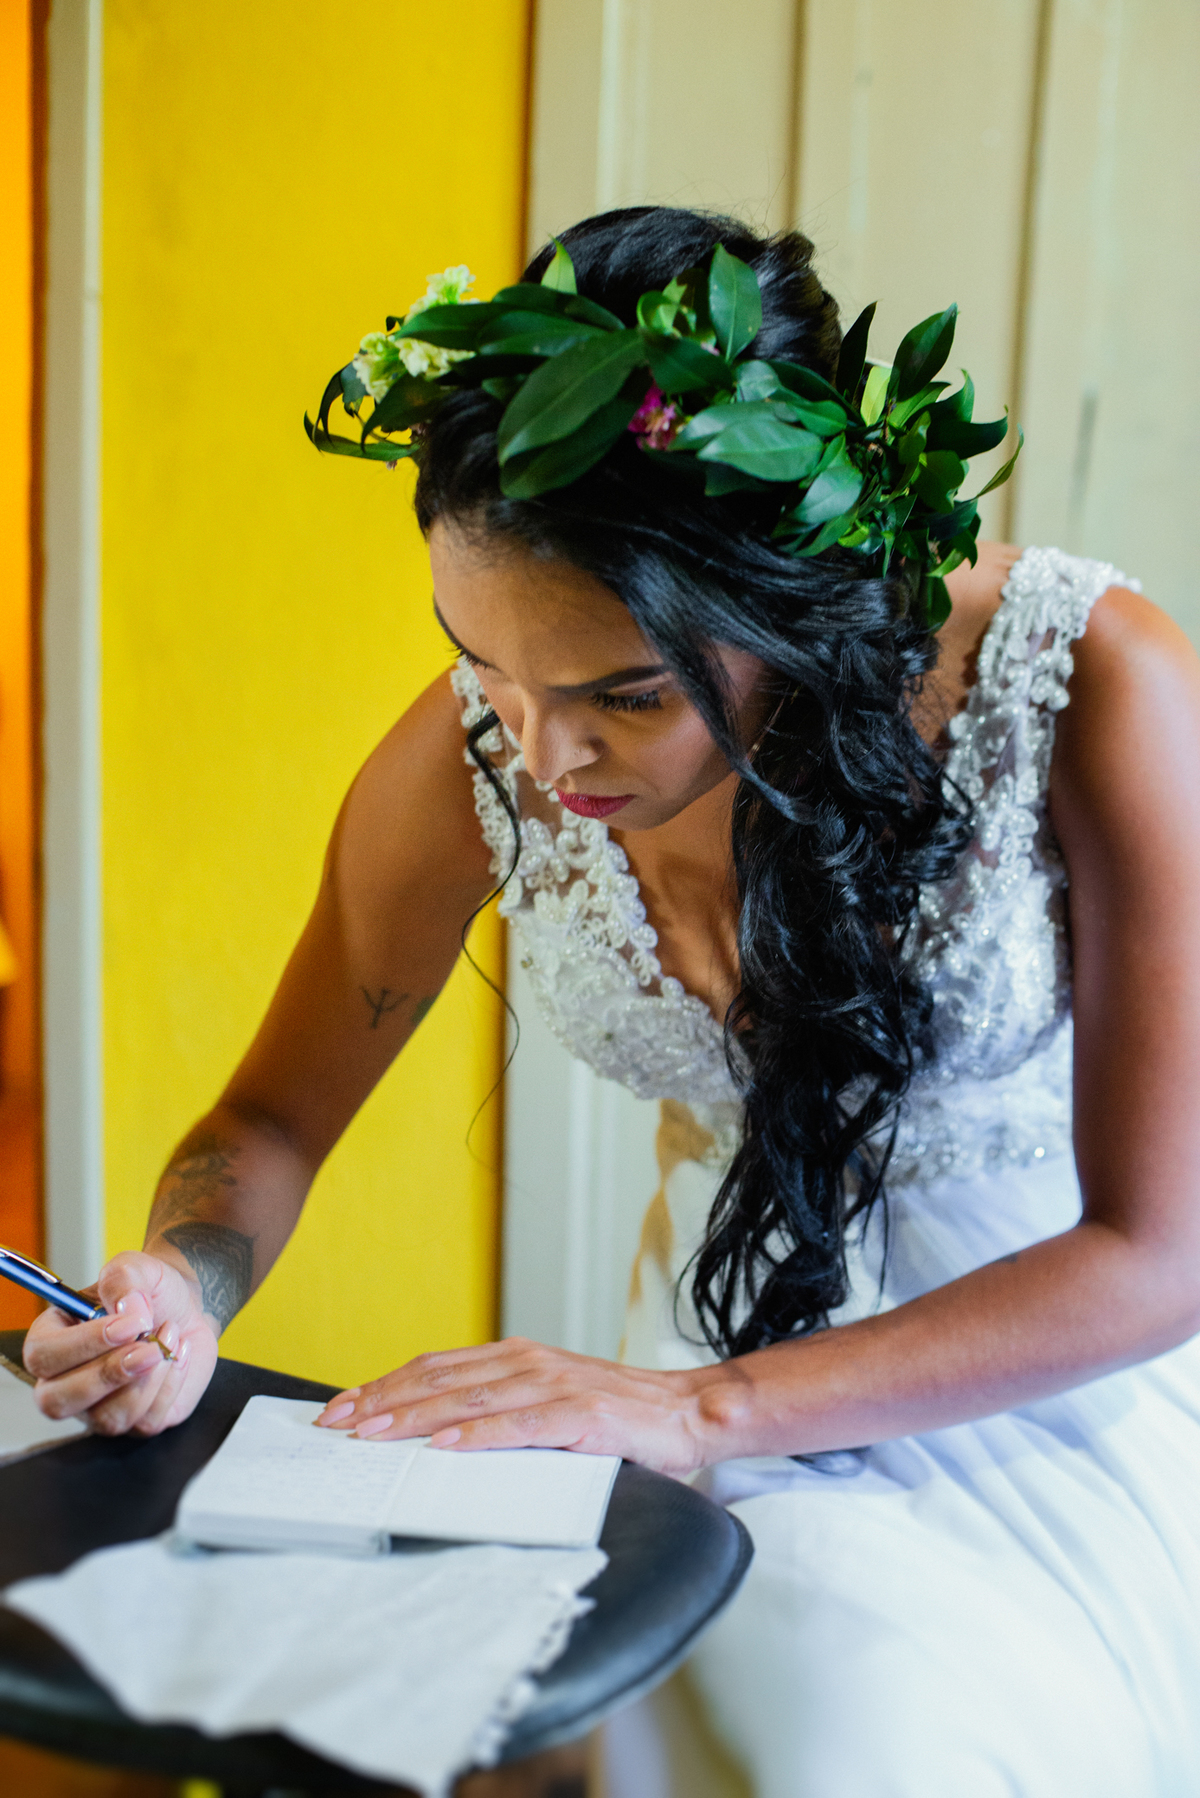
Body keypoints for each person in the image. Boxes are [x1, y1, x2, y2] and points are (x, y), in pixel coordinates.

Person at [24, 208, 1200, 1796]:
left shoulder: (1086, 679)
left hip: (1048, 1388)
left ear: (791, 602)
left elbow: (1160, 1251)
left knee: (854, 1744)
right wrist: (181, 1280)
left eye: (623, 694)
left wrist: (696, 1407)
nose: (540, 755)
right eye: (486, 666)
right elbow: (268, 1119)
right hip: (697, 1368)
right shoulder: (483, 757)